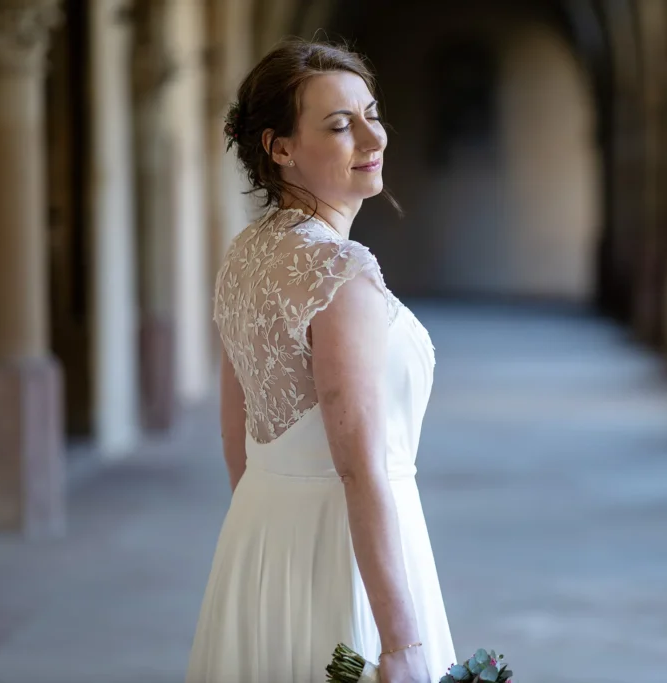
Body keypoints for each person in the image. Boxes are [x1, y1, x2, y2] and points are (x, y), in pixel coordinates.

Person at [186, 39, 456, 683]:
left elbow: (237, 433)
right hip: (345, 554)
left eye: (371, 113)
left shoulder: (248, 252)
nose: (372, 136)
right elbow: (361, 469)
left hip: (259, 538)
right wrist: (402, 648)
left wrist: (265, 541)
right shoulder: (341, 274)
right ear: (280, 147)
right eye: (339, 125)